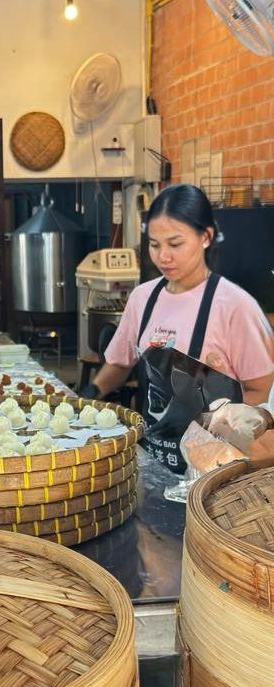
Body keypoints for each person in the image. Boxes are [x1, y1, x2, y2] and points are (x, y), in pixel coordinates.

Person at [80, 184, 274, 472]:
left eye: (175, 244)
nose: (163, 257)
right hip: (154, 454)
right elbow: (120, 365)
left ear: (205, 237)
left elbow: (261, 389)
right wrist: (90, 393)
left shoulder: (235, 306)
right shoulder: (142, 298)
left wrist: (223, 431)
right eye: (154, 245)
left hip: (211, 469)